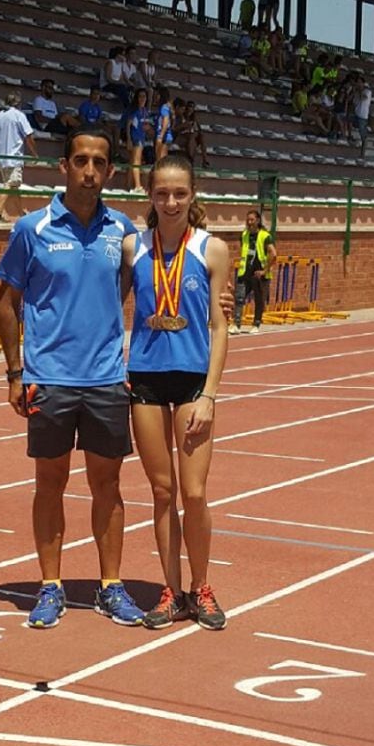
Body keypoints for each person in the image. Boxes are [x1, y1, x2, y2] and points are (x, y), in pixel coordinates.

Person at [0, 128, 146, 630]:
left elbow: (141, 286)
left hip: (105, 379)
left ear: (109, 171)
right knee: (50, 483)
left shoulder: (122, 231)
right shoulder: (30, 229)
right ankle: (51, 587)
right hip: (49, 379)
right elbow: (7, 303)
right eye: (80, 160)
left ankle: (111, 587)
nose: (89, 170)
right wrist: (15, 372)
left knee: (109, 485)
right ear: (63, 167)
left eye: (99, 162)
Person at [127, 154, 230, 631]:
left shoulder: (212, 250)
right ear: (150, 196)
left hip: (192, 380)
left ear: (193, 197)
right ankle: (171, 590)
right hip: (145, 377)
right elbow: (107, 303)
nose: (170, 202)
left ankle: (202, 586)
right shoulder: (132, 248)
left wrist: (210, 393)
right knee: (162, 491)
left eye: (180, 193)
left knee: (194, 491)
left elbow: (219, 324)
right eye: (162, 193)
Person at [0, 91, 39, 222]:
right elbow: (29, 136)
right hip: (14, 157)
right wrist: (34, 154)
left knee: (13, 186)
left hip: (1, 158)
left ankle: (21, 213)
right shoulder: (19, 116)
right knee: (10, 183)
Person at [229, 209, 276, 336]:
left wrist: (264, 270)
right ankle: (236, 324)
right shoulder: (244, 235)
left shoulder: (265, 236)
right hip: (245, 272)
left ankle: (256, 324)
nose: (249, 223)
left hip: (259, 274)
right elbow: (242, 251)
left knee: (259, 300)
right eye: (248, 220)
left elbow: (273, 253)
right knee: (239, 298)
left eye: (252, 220)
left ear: (258, 221)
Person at [126, 86, 151, 193]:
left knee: (133, 161)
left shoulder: (145, 111)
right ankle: (137, 185)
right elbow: (128, 124)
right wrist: (128, 139)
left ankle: (128, 184)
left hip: (142, 137)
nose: (142, 99)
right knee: (137, 161)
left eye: (144, 96)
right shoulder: (134, 110)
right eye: (140, 96)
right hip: (135, 137)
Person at [350, 74, 372, 157]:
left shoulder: (367, 91)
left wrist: (359, 92)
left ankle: (362, 154)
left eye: (360, 82)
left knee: (363, 136)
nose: (358, 84)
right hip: (356, 114)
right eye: (357, 82)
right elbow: (354, 102)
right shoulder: (356, 93)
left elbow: (364, 98)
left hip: (363, 116)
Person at [154, 84, 174, 160]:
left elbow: (166, 120)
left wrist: (161, 135)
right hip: (167, 135)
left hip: (163, 135)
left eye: (158, 95)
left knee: (160, 158)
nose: (156, 96)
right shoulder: (166, 107)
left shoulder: (164, 107)